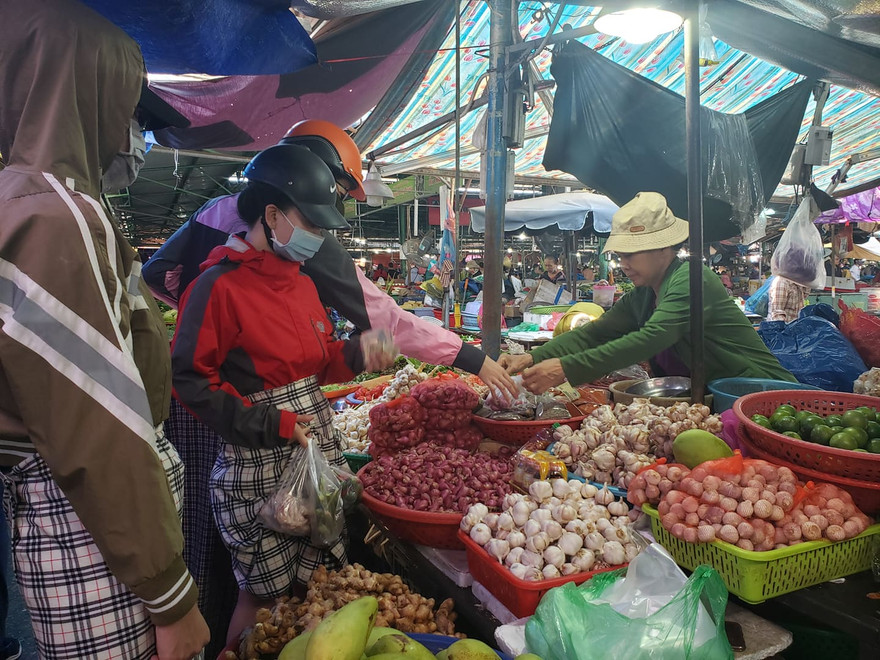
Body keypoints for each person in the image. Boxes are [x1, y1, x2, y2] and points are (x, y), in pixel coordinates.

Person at [0, 2, 209, 658]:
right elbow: (96, 424)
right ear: (84, 88)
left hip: (94, 518)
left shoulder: (37, 200)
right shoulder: (55, 217)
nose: (136, 135)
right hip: (92, 529)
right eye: (131, 109)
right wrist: (170, 594)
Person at [171, 144, 395, 644]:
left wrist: (359, 353)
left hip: (311, 457)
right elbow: (190, 381)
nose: (318, 236)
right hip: (257, 466)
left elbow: (317, 366)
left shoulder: (300, 283)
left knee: (313, 587)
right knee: (265, 599)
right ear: (271, 215)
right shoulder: (217, 287)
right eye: (311, 224)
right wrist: (273, 424)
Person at [500, 192, 796, 394]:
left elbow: (652, 338)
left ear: (665, 247)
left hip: (761, 395)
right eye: (621, 254)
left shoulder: (694, 279)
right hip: (715, 398)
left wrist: (567, 368)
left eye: (633, 253)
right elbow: (595, 333)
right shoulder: (642, 296)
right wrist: (534, 357)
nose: (624, 263)